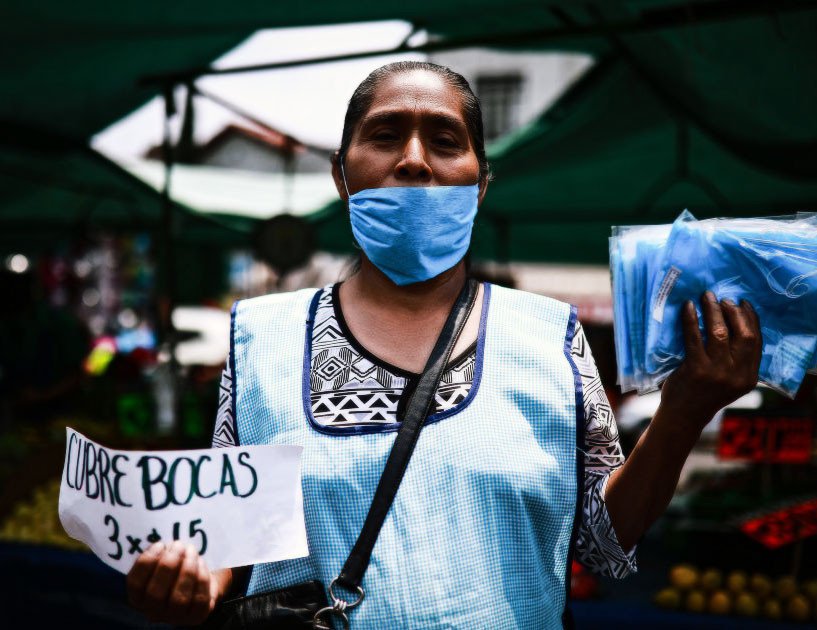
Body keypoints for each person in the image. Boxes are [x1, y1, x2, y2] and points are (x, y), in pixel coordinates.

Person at [126, 61, 762, 628]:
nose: (413, 159)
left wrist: (683, 412)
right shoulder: (260, 336)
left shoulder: (549, 334)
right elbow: (231, 546)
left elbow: (599, 540)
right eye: (383, 134)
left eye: (444, 140)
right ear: (342, 175)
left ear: (480, 182)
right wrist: (193, 583)